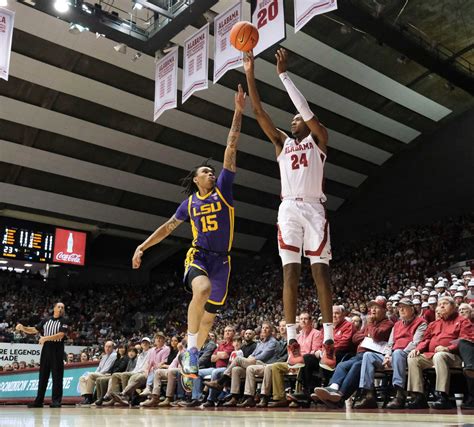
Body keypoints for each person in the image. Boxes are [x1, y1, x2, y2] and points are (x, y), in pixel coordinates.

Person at [132, 85, 246, 378]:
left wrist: (238, 112)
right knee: (202, 289)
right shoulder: (189, 203)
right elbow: (167, 228)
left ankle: (189, 355)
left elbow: (231, 148)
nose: (211, 173)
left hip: (223, 261)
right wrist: (143, 247)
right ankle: (192, 352)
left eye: (212, 171)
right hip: (199, 256)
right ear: (196, 180)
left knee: (208, 320)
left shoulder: (224, 192)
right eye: (205, 172)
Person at [244, 48, 335, 370]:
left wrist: (283, 75)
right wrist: (250, 72)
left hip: (314, 209)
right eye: (293, 120)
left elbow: (306, 111)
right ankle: (293, 338)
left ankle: (327, 339)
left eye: (297, 118)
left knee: (320, 273)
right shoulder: (282, 144)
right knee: (290, 273)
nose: (293, 120)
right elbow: (258, 111)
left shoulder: (319, 140)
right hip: (288, 209)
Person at [353, 298, 427, 409]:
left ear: (412, 309)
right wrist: (388, 355)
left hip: (408, 355)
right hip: (392, 356)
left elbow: (415, 343)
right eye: (399, 307)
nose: (401, 309)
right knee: (368, 356)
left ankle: (399, 394)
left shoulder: (421, 322)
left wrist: (396, 354)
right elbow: (390, 344)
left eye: (404, 307)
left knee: (397, 353)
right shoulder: (397, 324)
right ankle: (368, 395)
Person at [406, 296, 473, 409]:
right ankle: (418, 396)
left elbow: (465, 340)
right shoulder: (434, 324)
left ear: (453, 307)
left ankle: (443, 396)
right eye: (439, 304)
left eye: (445, 303)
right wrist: (417, 349)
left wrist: (448, 348)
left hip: (454, 356)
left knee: (440, 355)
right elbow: (425, 340)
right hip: (433, 355)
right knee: (413, 358)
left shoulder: (462, 321)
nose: (441, 306)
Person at [16, 302, 69, 408]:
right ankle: (38, 401)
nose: (60, 308)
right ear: (54, 308)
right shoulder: (46, 320)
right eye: (58, 307)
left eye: (62, 307)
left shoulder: (64, 321)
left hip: (57, 349)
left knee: (57, 376)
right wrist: (23, 328)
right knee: (43, 375)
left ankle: (56, 401)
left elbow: (61, 334)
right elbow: (34, 330)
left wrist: (45, 338)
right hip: (46, 349)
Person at [79, 340, 117, 405]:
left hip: (107, 374)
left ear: (113, 348)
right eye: (106, 346)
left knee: (90, 375)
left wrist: (94, 374)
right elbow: (99, 367)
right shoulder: (104, 356)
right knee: (82, 378)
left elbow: (106, 368)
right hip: (100, 374)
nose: (107, 348)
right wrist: (94, 373)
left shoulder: (114, 355)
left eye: (109, 347)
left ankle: (89, 398)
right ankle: (87, 397)